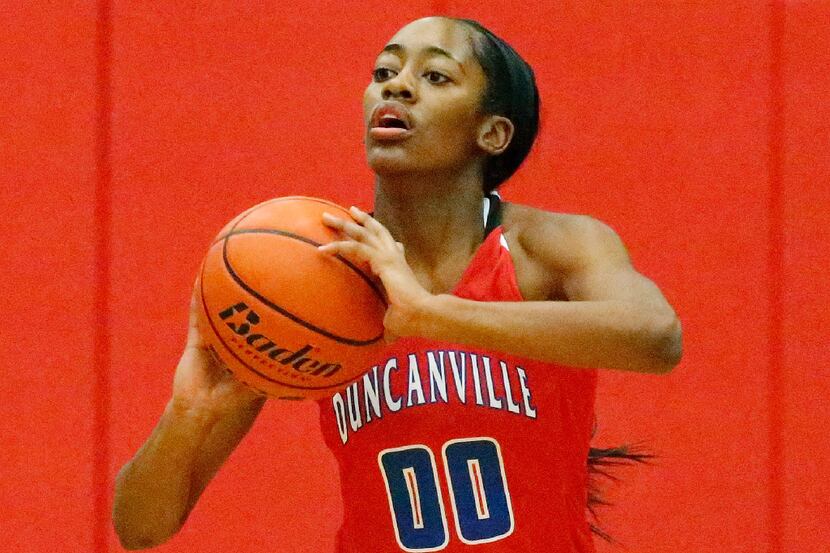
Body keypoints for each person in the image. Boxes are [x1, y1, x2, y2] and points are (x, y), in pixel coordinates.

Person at [113, 16, 682, 552]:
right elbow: (140, 528)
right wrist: (188, 412)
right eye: (384, 73)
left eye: (434, 76)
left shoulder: (547, 248)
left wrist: (428, 314)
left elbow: (656, 337)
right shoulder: (320, 267)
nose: (398, 88)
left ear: (493, 132)